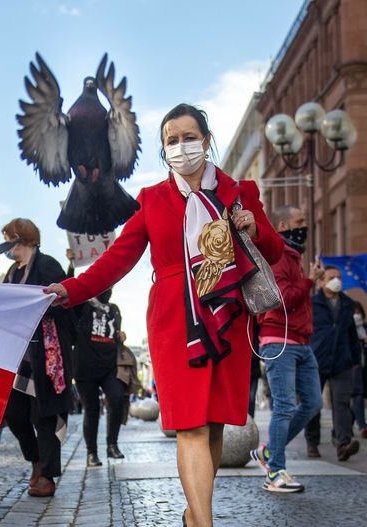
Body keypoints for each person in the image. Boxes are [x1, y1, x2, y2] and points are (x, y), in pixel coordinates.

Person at [45, 104, 283, 526]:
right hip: (176, 321)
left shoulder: (240, 191)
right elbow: (117, 259)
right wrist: (70, 289)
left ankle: (195, 515)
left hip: (227, 314)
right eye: (171, 140)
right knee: (190, 425)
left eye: (188, 137)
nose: (180, 146)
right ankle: (205, 523)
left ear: (206, 141)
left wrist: (254, 227)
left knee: (212, 427)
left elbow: (276, 251)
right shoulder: (152, 200)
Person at [247, 204, 322, 492]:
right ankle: (274, 472)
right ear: (282, 226)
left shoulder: (294, 257)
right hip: (279, 341)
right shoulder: (278, 257)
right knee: (285, 407)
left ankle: (269, 451)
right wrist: (310, 282)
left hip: (301, 342)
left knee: (313, 403)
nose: (305, 225)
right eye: (300, 220)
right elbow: (282, 298)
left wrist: (306, 281)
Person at [1, 218, 75, 498]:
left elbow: (65, 303)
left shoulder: (47, 265)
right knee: (15, 413)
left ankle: (47, 475)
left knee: (44, 415)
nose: (7, 245)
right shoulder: (11, 271)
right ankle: (35, 460)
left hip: (46, 352)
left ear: (23, 238)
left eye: (9, 238)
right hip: (19, 355)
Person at [304, 266, 362, 462]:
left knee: (342, 403)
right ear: (321, 282)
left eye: (338, 277)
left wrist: (355, 359)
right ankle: (312, 442)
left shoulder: (347, 304)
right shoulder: (313, 303)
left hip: (342, 361)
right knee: (313, 403)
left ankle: (343, 443)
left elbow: (352, 334)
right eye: (331, 277)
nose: (336, 280)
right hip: (316, 360)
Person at [72, 286, 126, 467]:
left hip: (109, 366)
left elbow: (114, 333)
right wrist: (72, 265)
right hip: (85, 368)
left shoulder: (115, 309)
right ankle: (92, 453)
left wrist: (121, 336)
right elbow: (70, 294)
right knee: (92, 409)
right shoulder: (84, 307)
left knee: (117, 398)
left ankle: (112, 444)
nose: (107, 290)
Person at [352, 302, 367, 438]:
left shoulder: (364, 328)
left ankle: (343, 428)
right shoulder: (348, 328)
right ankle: (362, 426)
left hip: (363, 366)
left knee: (358, 395)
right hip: (352, 366)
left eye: (359, 312)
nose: (357, 315)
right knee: (357, 395)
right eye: (354, 312)